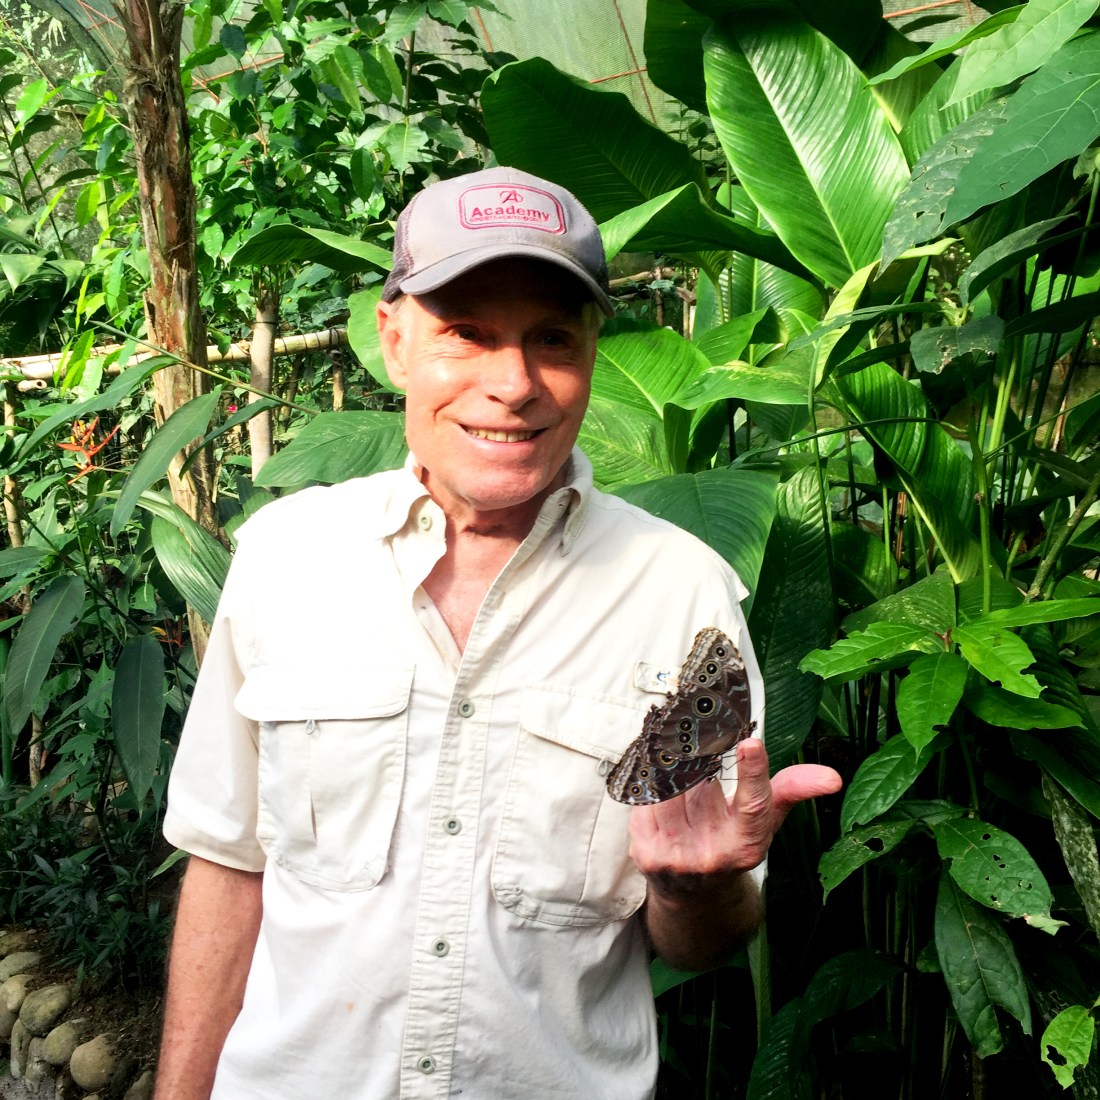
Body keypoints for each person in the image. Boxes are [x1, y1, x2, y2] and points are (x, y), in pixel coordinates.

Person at [154, 166, 841, 1100]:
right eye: (467, 334)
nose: (513, 384)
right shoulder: (286, 559)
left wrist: (693, 888)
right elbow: (229, 867)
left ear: (594, 352)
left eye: (551, 338)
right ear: (394, 341)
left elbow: (703, 936)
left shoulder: (683, 598)